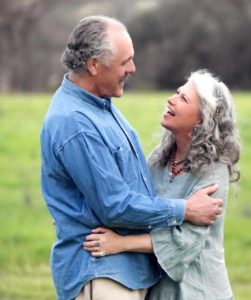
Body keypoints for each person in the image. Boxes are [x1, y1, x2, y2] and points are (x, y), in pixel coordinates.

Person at [40, 16, 223, 300]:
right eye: (125, 61)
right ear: (94, 65)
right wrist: (183, 210)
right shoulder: (76, 123)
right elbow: (114, 205)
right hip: (102, 274)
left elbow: (124, 187)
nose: (132, 69)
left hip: (124, 275)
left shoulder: (101, 107)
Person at [83, 69, 241, 300]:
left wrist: (120, 243)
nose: (171, 99)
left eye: (183, 98)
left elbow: (184, 242)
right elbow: (132, 202)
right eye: (178, 92)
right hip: (159, 291)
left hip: (200, 293)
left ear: (201, 119)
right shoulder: (161, 158)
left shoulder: (213, 173)